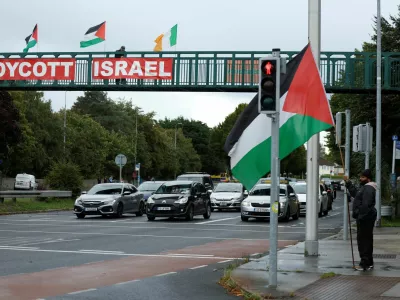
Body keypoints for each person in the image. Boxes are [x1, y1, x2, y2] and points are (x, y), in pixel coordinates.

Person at [344, 169, 377, 271]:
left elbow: (366, 205)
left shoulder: (368, 189)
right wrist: (348, 183)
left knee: (363, 241)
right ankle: (369, 262)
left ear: (368, 178)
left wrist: (359, 214)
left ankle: (364, 264)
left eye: (362, 177)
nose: (360, 179)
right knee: (366, 239)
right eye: (360, 177)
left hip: (364, 218)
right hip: (366, 217)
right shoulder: (366, 187)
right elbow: (356, 194)